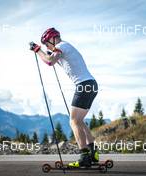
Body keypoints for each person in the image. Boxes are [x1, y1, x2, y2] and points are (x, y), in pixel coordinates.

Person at [30, 28, 99, 167]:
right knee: (79, 121)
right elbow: (55, 58)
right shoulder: (65, 47)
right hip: (92, 84)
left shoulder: (61, 46)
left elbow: (50, 61)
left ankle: (84, 156)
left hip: (84, 85)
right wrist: (46, 52)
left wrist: (38, 50)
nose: (47, 47)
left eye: (46, 43)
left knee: (73, 121)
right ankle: (93, 153)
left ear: (52, 39)